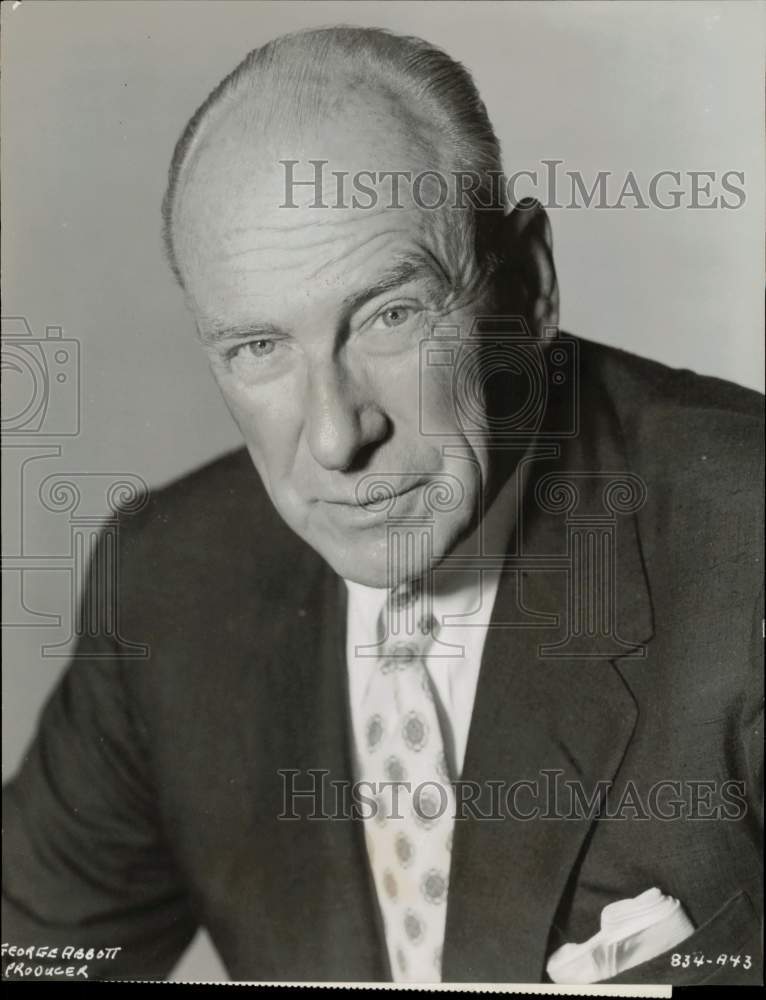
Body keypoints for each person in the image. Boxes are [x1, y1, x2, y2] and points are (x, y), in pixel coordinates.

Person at [2, 26, 763, 986]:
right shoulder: (168, 585)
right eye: (258, 348)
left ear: (527, 288)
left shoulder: (748, 541)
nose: (334, 437)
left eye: (391, 315)